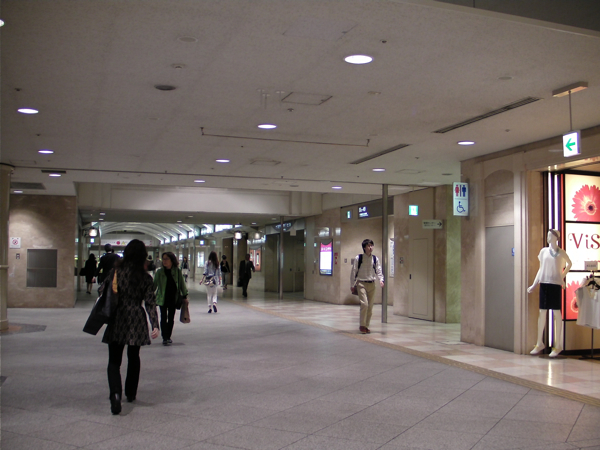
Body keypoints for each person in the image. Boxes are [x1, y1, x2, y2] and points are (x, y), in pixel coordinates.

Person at [101, 239, 159, 415]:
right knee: (134, 357)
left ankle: (115, 394)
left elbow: (102, 290)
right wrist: (155, 324)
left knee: (114, 360)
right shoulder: (145, 278)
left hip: (118, 317)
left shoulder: (116, 272)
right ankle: (131, 393)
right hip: (136, 317)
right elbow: (150, 302)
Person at [527, 229, 572, 358]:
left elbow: (570, 264)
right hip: (544, 283)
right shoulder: (544, 251)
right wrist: (534, 284)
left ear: (556, 237)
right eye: (547, 235)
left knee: (557, 313)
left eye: (550, 236)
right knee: (542, 312)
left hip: (555, 285)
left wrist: (561, 277)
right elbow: (541, 269)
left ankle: (558, 345)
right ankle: (539, 343)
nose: (548, 238)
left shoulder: (561, 252)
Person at [153, 252, 188, 346]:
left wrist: (185, 295)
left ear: (172, 260)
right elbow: (154, 285)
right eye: (163, 259)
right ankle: (165, 337)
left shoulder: (177, 271)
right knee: (163, 317)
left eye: (166, 259)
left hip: (173, 298)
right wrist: (149, 294)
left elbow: (182, 284)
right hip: (162, 298)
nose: (164, 261)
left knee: (171, 318)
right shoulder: (160, 272)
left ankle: (168, 336)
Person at [350, 239, 384, 334]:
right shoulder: (359, 258)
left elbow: (379, 270)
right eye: (368, 246)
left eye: (371, 245)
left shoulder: (375, 259)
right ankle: (362, 325)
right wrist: (352, 284)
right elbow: (353, 272)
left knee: (370, 307)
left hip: (372, 284)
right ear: (364, 247)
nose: (370, 247)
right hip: (361, 283)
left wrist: (381, 280)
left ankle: (366, 326)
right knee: (364, 304)